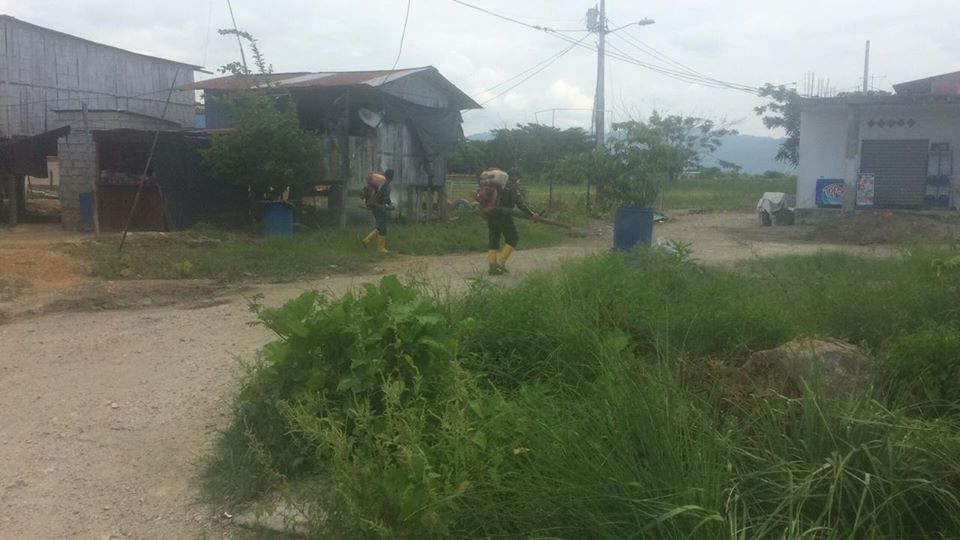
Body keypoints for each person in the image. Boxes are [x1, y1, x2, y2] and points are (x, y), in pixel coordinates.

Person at [476, 168, 536, 275]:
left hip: (491, 214)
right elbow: (520, 203)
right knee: (513, 238)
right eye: (518, 178)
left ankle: (492, 266)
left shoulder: (496, 185)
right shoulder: (512, 186)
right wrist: (531, 214)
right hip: (504, 215)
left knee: (494, 239)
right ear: (515, 177)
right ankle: (501, 262)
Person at [361, 169, 394, 253]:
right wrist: (390, 205)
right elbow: (386, 198)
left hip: (374, 206)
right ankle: (381, 248)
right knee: (383, 227)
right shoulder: (387, 186)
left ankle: (367, 240)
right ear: (392, 177)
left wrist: (389, 203)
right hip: (379, 207)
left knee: (380, 226)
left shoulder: (382, 184)